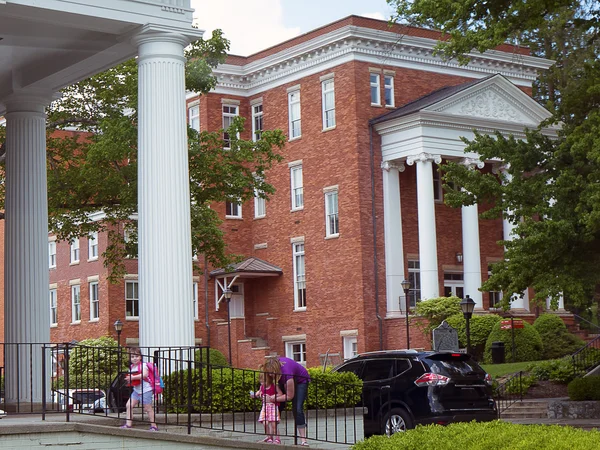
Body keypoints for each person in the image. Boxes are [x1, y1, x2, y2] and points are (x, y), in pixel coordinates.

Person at [264, 356, 310, 446]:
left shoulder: (286, 373)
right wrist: (273, 397)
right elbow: (280, 393)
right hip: (285, 379)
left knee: (297, 409)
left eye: (272, 373)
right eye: (268, 373)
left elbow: (289, 396)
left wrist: (274, 398)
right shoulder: (275, 370)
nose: (270, 375)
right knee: (276, 406)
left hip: (301, 380)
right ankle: (273, 436)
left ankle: (303, 439)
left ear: (276, 369)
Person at [119, 347, 158, 431]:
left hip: (146, 390)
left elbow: (144, 375)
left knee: (148, 408)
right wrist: (129, 379)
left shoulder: (143, 365)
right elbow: (132, 378)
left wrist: (132, 377)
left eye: (136, 356)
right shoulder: (131, 367)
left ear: (140, 357)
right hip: (136, 390)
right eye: (132, 357)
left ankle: (154, 426)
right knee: (129, 405)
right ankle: (128, 424)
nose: (134, 358)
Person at [251, 364, 283, 444]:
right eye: (261, 382)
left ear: (269, 380)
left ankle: (277, 438)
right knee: (265, 422)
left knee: (273, 424)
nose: (262, 383)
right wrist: (254, 394)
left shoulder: (274, 386)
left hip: (272, 407)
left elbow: (280, 394)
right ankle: (269, 437)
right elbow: (258, 393)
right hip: (265, 407)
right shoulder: (262, 387)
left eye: (264, 381)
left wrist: (272, 396)